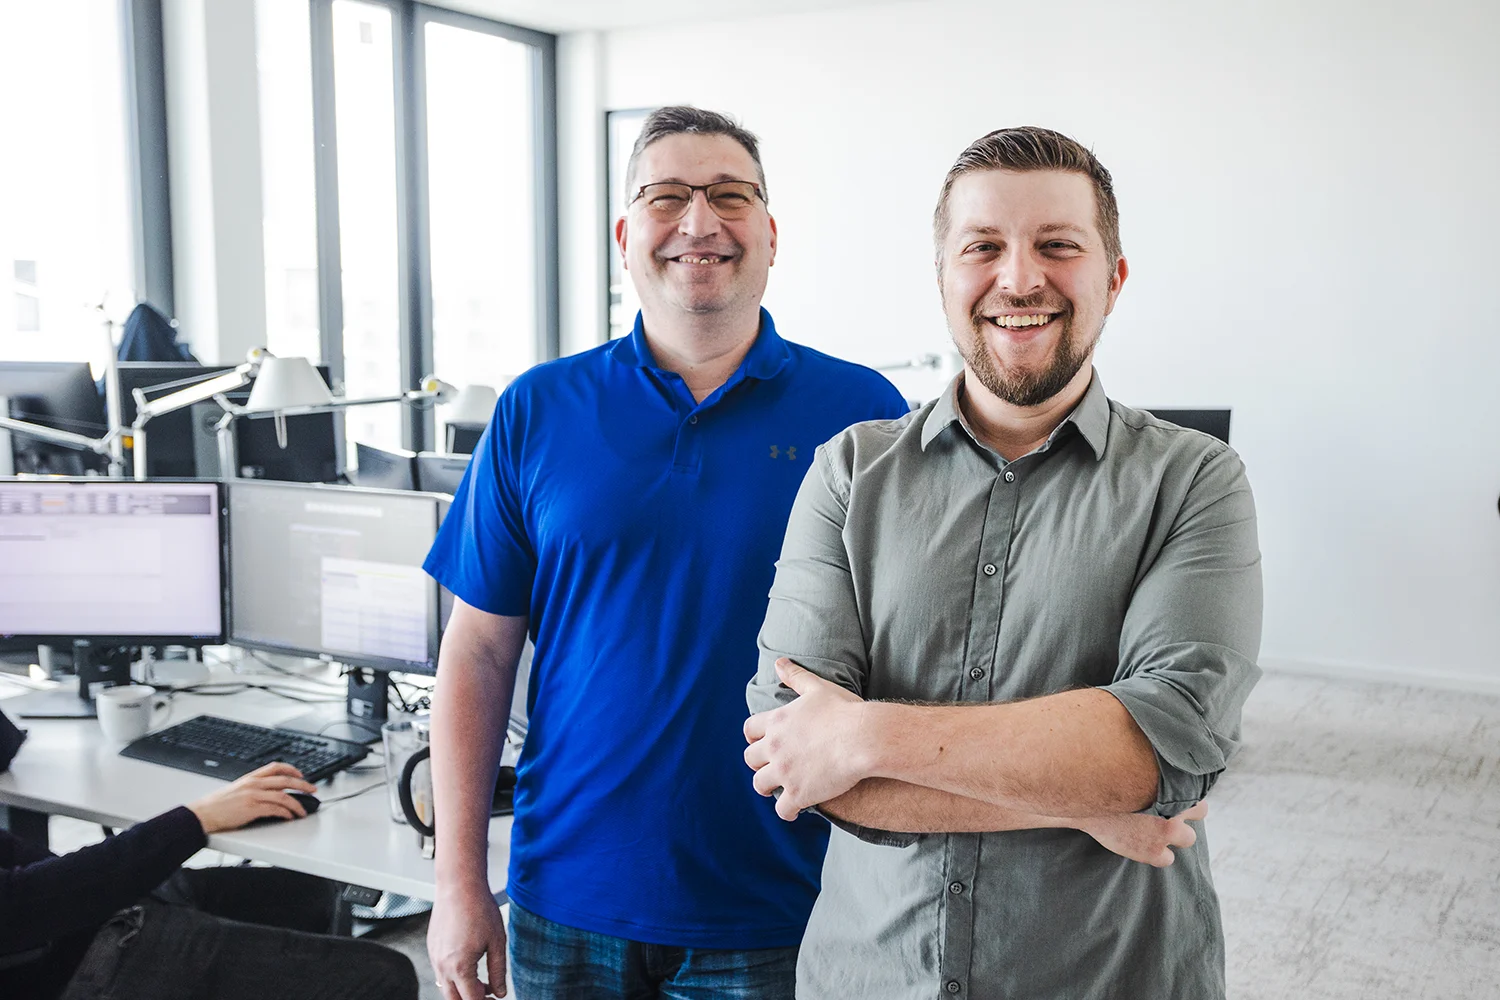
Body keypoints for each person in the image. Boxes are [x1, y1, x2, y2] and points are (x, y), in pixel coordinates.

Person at [744, 126, 1263, 999]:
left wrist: (871, 734)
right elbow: (792, 753)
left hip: (1111, 974)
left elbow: (1164, 746)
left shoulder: (1195, 479)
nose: (1019, 278)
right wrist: (1078, 802)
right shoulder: (847, 471)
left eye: (1058, 246)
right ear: (945, 278)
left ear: (1114, 277)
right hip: (869, 975)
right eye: (982, 247)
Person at [421, 106, 910, 1000]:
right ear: (624, 234)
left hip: (781, 897)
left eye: (731, 196)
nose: (700, 222)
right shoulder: (536, 409)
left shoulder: (863, 413)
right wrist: (458, 881)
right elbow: (478, 653)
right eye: (667, 196)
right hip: (566, 896)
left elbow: (915, 647)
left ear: (770, 234)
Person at [0, 761, 419, 1000]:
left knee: (309, 893)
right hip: (58, 963)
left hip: (70, 913)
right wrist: (194, 820)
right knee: (384, 975)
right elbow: (25, 908)